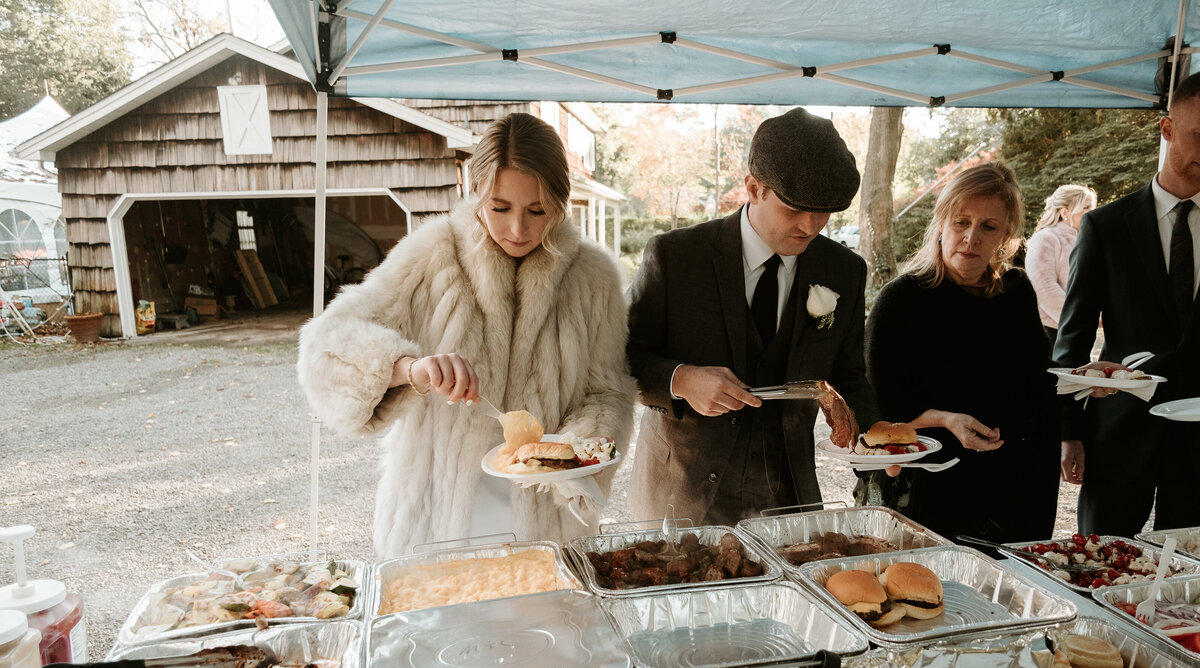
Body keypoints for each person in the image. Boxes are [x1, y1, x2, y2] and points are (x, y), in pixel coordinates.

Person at [296, 113, 635, 557]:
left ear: (561, 201)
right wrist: (408, 368)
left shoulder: (594, 277)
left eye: (538, 210)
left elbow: (608, 392)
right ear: (475, 193)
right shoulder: (432, 252)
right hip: (436, 512)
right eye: (500, 208)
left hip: (547, 518)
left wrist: (564, 459)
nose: (519, 229)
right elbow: (325, 344)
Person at [626, 107, 881, 526]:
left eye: (825, 212)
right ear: (753, 188)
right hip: (681, 495)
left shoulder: (844, 271)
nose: (812, 225)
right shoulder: (675, 257)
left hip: (789, 497)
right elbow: (624, 359)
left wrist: (877, 442)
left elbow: (849, 373)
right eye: (795, 208)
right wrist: (682, 379)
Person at [863, 162, 1060, 543]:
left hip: (1014, 484)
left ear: (1007, 235)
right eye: (961, 222)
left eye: (989, 227)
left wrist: (1087, 375)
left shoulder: (1016, 290)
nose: (972, 238)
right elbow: (877, 414)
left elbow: (1036, 375)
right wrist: (946, 420)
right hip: (931, 489)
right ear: (941, 224)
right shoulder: (900, 300)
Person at [1055, 73, 1200, 536]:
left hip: (1199, 442)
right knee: (1098, 560)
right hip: (1118, 432)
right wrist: (1069, 431)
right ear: (1167, 129)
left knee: (1187, 583)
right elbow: (1073, 335)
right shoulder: (1106, 227)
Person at [1025, 184, 1098, 342]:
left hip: (1077, 329)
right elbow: (1042, 287)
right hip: (1050, 333)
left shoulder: (1084, 241)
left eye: (1092, 207)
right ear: (1065, 212)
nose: (1092, 212)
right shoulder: (1046, 238)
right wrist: (1077, 319)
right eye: (1086, 207)